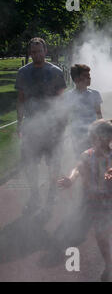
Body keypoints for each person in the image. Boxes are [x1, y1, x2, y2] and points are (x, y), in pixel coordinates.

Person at [58, 119, 112, 281]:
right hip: (95, 200)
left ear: (108, 138)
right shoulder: (86, 154)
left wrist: (111, 170)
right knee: (100, 235)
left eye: (101, 136)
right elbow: (77, 168)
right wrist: (71, 179)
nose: (97, 139)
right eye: (95, 136)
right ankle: (109, 264)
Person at [15, 37, 67, 212]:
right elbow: (21, 99)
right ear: (30, 53)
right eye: (33, 51)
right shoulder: (23, 72)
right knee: (30, 162)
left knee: (53, 162)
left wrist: (62, 122)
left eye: (39, 51)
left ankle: (52, 191)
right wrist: (19, 123)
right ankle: (35, 194)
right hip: (31, 125)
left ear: (45, 51)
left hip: (52, 125)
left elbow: (62, 99)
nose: (36, 54)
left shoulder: (56, 71)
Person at [65, 64, 103, 156]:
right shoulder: (69, 96)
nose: (89, 78)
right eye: (85, 76)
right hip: (77, 135)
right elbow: (65, 117)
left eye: (89, 76)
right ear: (76, 79)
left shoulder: (95, 94)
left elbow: (99, 114)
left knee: (95, 159)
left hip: (94, 134)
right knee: (81, 159)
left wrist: (102, 130)